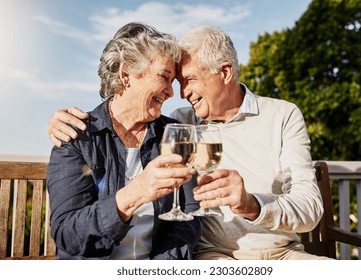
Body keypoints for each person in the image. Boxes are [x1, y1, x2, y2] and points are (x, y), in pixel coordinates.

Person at [48, 25, 329, 260]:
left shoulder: (180, 129)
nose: (179, 94)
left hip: (282, 254)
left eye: (187, 80)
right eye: (170, 79)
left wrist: (251, 204)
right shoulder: (177, 126)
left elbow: (309, 208)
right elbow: (67, 234)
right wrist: (59, 123)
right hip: (210, 257)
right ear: (126, 75)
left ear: (226, 72)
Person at [46, 22, 202, 260]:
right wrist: (136, 192)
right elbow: (68, 233)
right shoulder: (78, 136)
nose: (172, 92)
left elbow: (189, 217)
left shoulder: (173, 134)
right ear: (126, 74)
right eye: (164, 77)